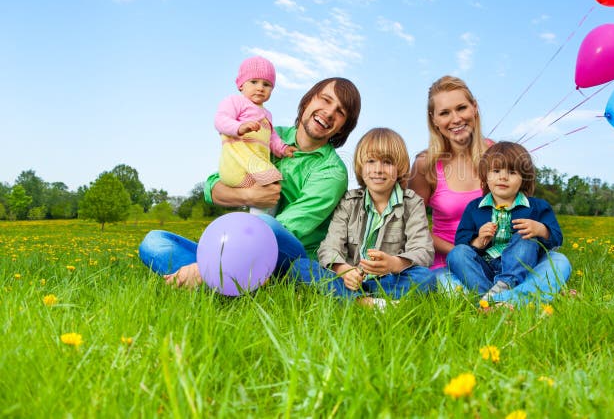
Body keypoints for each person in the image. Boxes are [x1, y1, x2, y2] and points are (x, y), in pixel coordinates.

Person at [138, 77, 361, 288]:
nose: (329, 112)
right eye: (325, 99)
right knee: (155, 241)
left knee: (268, 225)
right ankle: (235, 280)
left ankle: (214, 273)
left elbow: (287, 228)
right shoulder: (266, 133)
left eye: (340, 112)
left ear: (343, 127)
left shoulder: (332, 171)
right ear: (308, 100)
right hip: (241, 242)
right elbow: (214, 186)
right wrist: (248, 196)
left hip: (287, 257)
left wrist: (215, 262)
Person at [408, 75, 570, 305]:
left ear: (474, 108)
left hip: (508, 259)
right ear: (433, 119)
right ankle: (526, 296)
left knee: (559, 262)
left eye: (461, 108)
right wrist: (470, 249)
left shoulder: (498, 154)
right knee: (449, 286)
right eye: (445, 113)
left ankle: (495, 300)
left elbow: (525, 208)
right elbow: (414, 225)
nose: (455, 119)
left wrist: (532, 235)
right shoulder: (426, 164)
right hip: (453, 263)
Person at [290, 128, 436, 304]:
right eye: (371, 161)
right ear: (361, 165)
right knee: (300, 267)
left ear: (400, 167)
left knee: (426, 278)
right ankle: (367, 303)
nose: (378, 170)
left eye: (387, 162)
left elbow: (423, 250)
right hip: (349, 281)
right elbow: (329, 247)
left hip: (388, 281)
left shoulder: (412, 203)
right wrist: (344, 270)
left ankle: (355, 300)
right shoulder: (349, 202)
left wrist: (393, 263)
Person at [447, 142, 563, 304]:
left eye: (512, 172)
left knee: (554, 258)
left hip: (523, 269)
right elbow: (461, 241)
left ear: (523, 178)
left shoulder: (538, 206)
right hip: (484, 268)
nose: (503, 177)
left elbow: (557, 238)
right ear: (485, 176)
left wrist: (541, 229)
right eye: (496, 171)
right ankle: (496, 298)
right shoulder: (475, 207)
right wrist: (478, 241)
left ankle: (500, 290)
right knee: (456, 254)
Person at [215, 56, 297, 215]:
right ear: (240, 85)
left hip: (253, 166)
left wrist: (283, 149)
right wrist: (239, 127)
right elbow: (220, 120)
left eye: (266, 84)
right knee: (268, 185)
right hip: (237, 163)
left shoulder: (267, 115)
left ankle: (264, 221)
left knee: (273, 189)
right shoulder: (235, 102)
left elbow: (272, 137)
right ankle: (259, 222)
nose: (260, 88)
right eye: (254, 82)